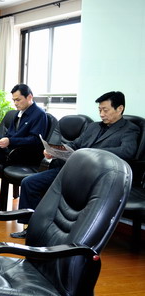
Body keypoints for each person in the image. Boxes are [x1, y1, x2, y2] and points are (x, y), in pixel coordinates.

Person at [11, 90, 139, 238]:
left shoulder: (129, 129)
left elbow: (127, 151)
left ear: (120, 108)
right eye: (99, 110)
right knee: (29, 183)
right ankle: (31, 228)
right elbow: (76, 144)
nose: (101, 114)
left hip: (95, 178)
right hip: (72, 170)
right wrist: (55, 150)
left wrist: (91, 153)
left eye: (105, 110)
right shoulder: (94, 126)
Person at [0, 84, 48, 167]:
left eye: (18, 100)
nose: (15, 103)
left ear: (29, 97)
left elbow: (35, 140)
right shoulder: (18, 113)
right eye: (14, 100)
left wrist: (10, 141)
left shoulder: (39, 114)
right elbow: (10, 134)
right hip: (11, 150)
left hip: (26, 154)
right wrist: (3, 141)